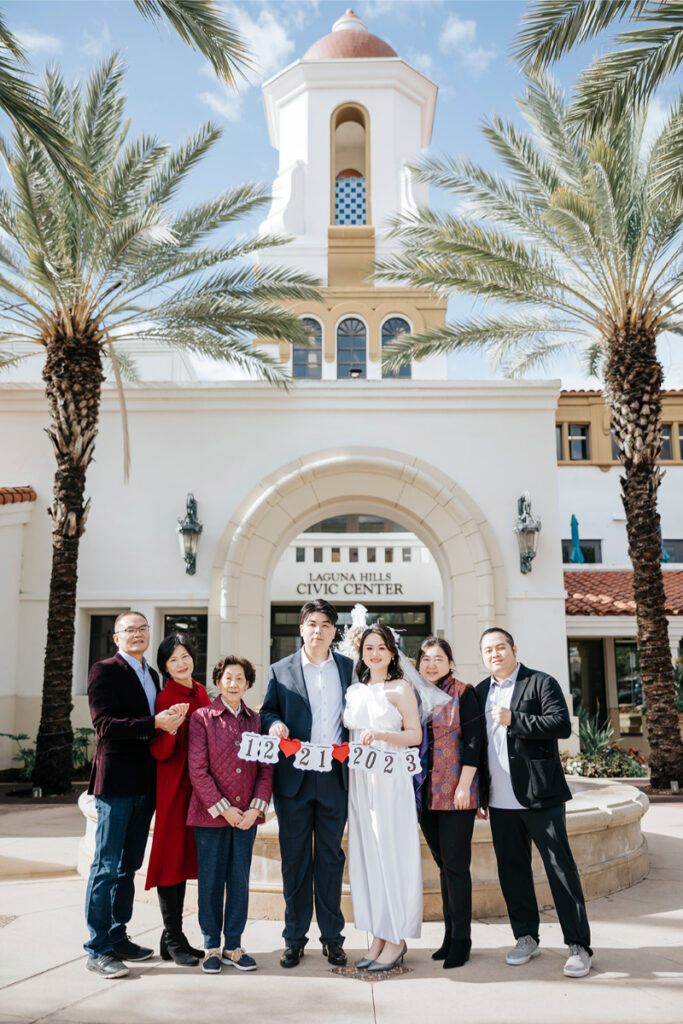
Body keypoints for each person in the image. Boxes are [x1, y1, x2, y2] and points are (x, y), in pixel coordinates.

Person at [475, 627, 593, 979]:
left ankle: (578, 945)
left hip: (541, 797)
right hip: (500, 801)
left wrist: (516, 720)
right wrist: (481, 793)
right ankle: (526, 936)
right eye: (487, 650)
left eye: (500, 647)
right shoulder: (480, 691)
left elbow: (561, 725)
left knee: (561, 869)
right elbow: (478, 748)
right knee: (512, 872)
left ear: (513, 648)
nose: (494, 654)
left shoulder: (541, 683)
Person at [85, 611, 187, 979]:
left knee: (128, 866)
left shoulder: (152, 674)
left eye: (143, 628)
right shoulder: (104, 670)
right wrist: (154, 723)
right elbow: (104, 725)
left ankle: (118, 935)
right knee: (106, 866)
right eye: (130, 630)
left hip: (146, 784)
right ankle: (97, 948)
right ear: (116, 638)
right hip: (115, 784)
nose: (138, 634)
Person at [260, 599, 353, 969]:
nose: (319, 630)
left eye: (326, 624)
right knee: (295, 861)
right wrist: (273, 725)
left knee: (331, 858)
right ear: (301, 628)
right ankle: (294, 939)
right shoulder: (280, 669)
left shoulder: (348, 668)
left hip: (334, 776)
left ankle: (332, 938)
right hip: (294, 780)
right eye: (312, 623)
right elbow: (268, 710)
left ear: (334, 631)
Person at [343, 624, 423, 972]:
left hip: (390, 779)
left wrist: (382, 734)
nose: (374, 653)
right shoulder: (355, 690)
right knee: (368, 856)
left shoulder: (400, 687)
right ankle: (379, 932)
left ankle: (397, 937)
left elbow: (416, 735)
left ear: (392, 652)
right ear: (361, 653)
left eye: (381, 647)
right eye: (368, 647)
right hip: (361, 781)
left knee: (391, 853)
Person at [187, 655, 273, 974]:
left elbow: (266, 769)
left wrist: (255, 808)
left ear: (248, 683)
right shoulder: (203, 718)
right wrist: (225, 810)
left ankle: (233, 945)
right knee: (210, 881)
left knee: (239, 880)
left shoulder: (257, 721)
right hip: (210, 817)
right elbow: (197, 770)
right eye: (227, 677)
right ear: (218, 681)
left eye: (240, 678)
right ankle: (211, 945)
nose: (233, 683)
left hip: (247, 818)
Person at [417, 637, 483, 969]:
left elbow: (474, 741)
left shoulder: (463, 692)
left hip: (456, 791)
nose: (431, 664)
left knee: (456, 867)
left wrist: (466, 785)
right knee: (444, 866)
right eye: (426, 658)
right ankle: (449, 935)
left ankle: (462, 940)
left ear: (450, 662)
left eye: (438, 658)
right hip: (425, 795)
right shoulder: (415, 695)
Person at [145, 633, 210, 966]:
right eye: (173, 660)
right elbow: (157, 750)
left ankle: (172, 939)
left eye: (185, 656)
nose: (182, 663)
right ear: (165, 667)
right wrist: (170, 727)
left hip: (201, 787)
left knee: (187, 860)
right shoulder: (164, 697)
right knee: (172, 860)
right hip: (174, 788)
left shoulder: (199, 690)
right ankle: (173, 936)